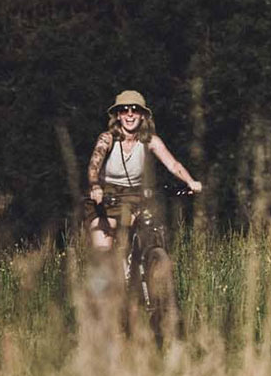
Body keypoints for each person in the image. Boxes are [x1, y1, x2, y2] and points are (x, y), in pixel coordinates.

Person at [86, 90, 201, 339]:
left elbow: (173, 165)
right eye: (124, 110)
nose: (129, 114)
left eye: (135, 110)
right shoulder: (107, 139)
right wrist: (95, 185)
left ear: (143, 115)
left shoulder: (150, 141)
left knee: (154, 238)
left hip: (138, 199)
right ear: (117, 115)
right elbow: (94, 164)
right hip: (108, 199)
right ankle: (101, 316)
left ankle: (160, 303)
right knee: (103, 252)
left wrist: (191, 181)